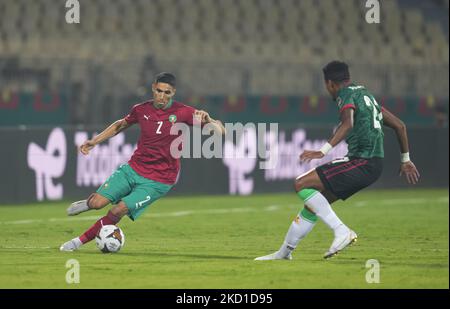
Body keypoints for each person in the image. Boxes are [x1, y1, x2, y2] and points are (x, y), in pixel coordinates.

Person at [255, 61, 420, 260]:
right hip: (372, 164)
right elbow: (400, 126)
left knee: (301, 183)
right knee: (313, 205)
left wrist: (322, 151)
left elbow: (348, 123)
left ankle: (342, 231)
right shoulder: (367, 96)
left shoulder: (345, 95)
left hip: (361, 161)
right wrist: (405, 159)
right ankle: (284, 253)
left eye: (327, 86)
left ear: (330, 84)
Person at [60, 72, 225, 251]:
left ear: (173, 93)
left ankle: (77, 242)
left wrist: (209, 121)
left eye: (167, 93)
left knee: (118, 210)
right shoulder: (141, 109)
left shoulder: (184, 112)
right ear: (153, 88)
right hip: (133, 169)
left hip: (158, 180)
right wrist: (94, 141)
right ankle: (88, 204)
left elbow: (220, 131)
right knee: (97, 204)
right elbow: (119, 125)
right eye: (159, 91)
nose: (162, 96)